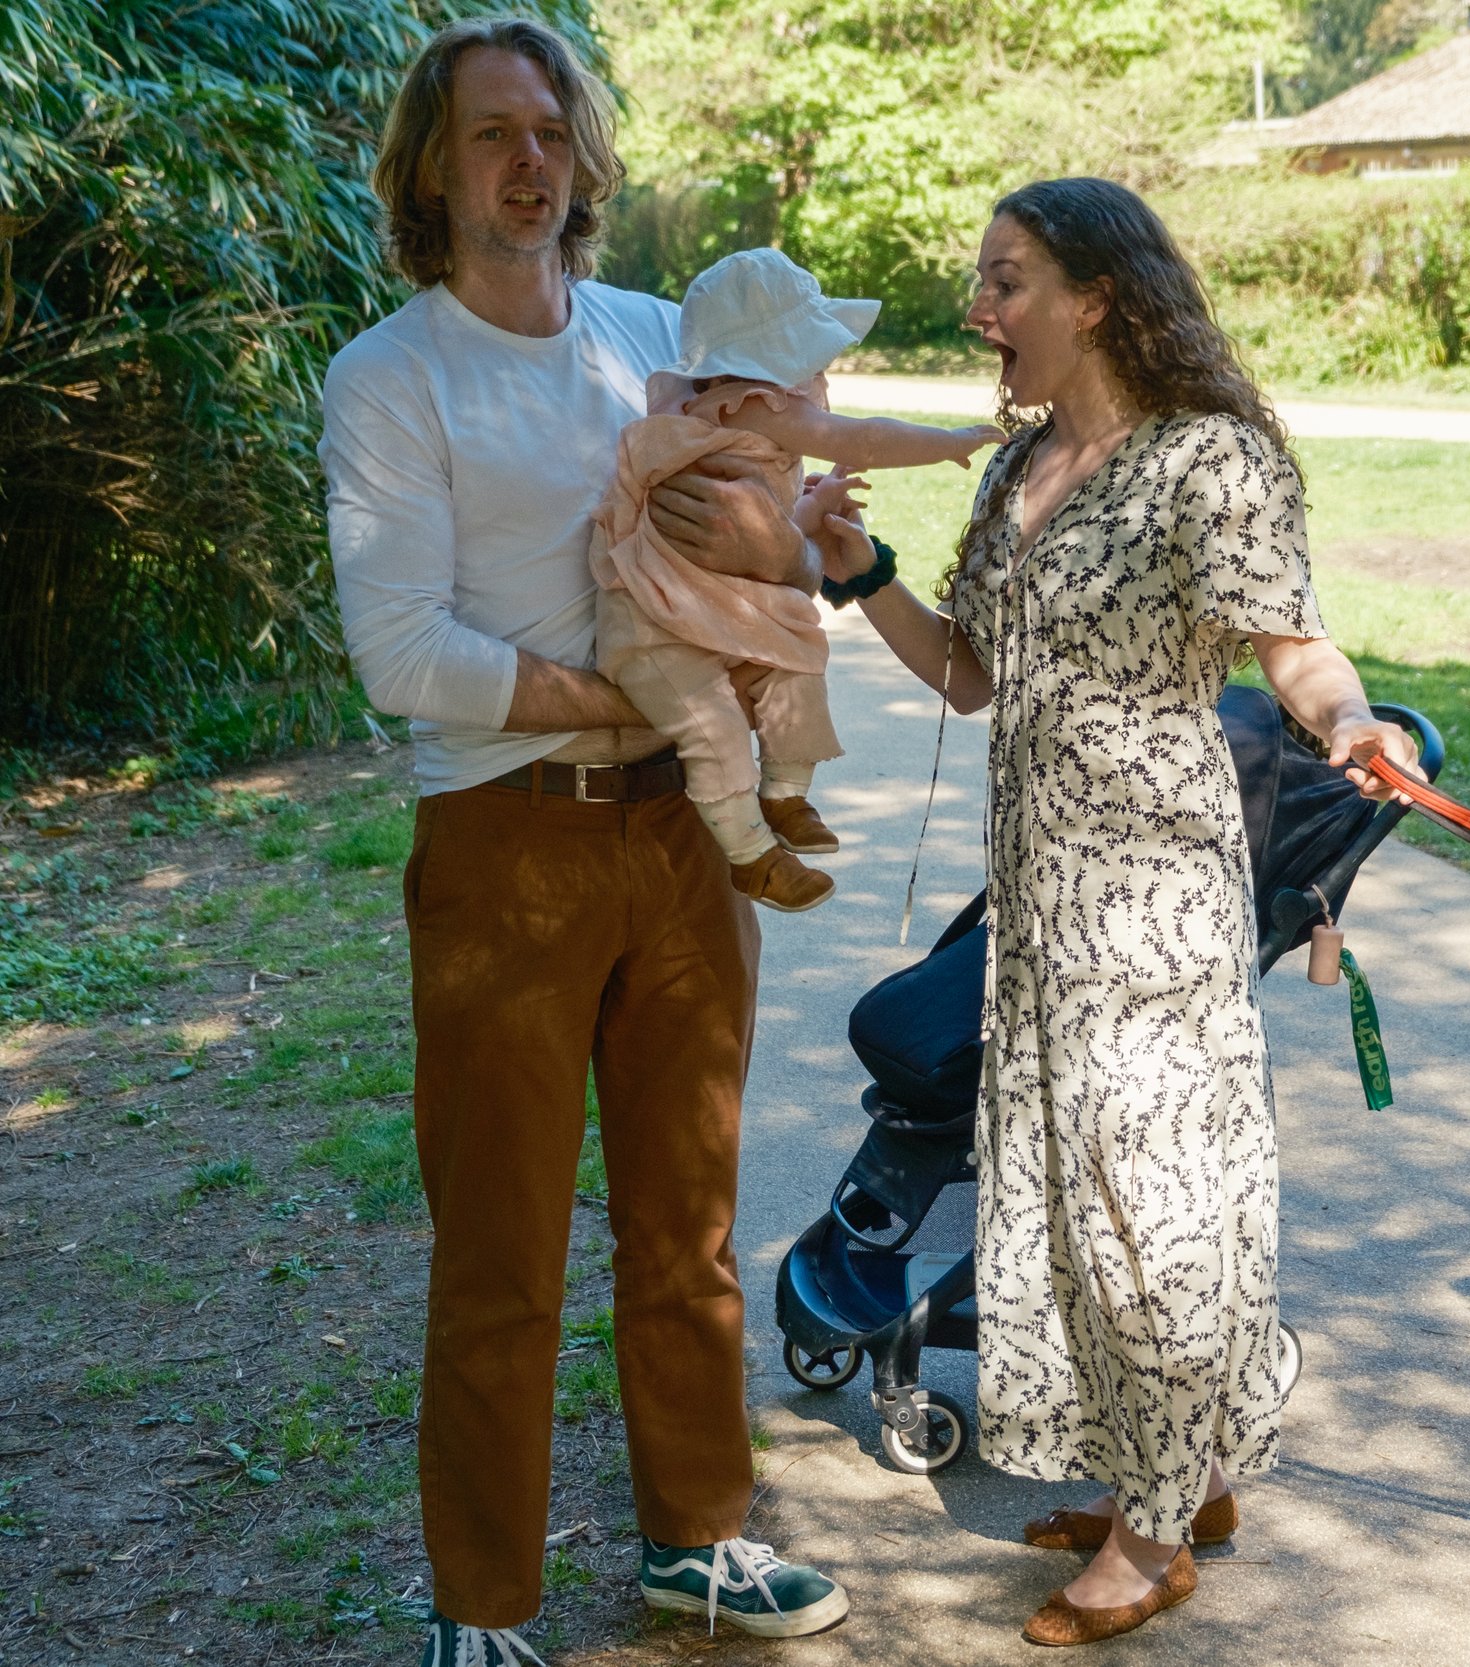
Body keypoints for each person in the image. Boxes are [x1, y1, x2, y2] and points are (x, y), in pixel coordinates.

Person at [811, 176, 1418, 1646]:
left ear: (1096, 294)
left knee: (1154, 1204)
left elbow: (1295, 643)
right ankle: (1182, 1474)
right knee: (1076, 1202)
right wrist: (862, 572)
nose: (982, 308)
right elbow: (968, 671)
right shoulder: (1014, 469)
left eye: (1007, 279)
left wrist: (1350, 720)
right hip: (1037, 898)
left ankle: (1151, 1536)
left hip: (1154, 897)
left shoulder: (1208, 461)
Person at [319, 19, 848, 1664]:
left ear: (584, 153)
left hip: (687, 844)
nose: (527, 163)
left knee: (687, 1219)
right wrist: (609, 704)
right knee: (502, 1246)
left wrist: (803, 554)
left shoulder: (650, 336)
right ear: (430, 167)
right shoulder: (390, 378)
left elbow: (750, 534)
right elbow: (404, 653)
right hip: (507, 851)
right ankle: (481, 1606)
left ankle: (698, 1533)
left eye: (548, 130)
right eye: (489, 136)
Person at [593, 246, 1000, 913]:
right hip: (657, 619)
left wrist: (817, 509)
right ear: (776, 359)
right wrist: (946, 440)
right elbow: (862, 437)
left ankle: (784, 795)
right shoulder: (755, 406)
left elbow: (766, 528)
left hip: (716, 607)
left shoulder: (721, 417)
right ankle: (753, 854)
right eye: (815, 356)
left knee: (798, 663)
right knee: (712, 724)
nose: (824, 372)